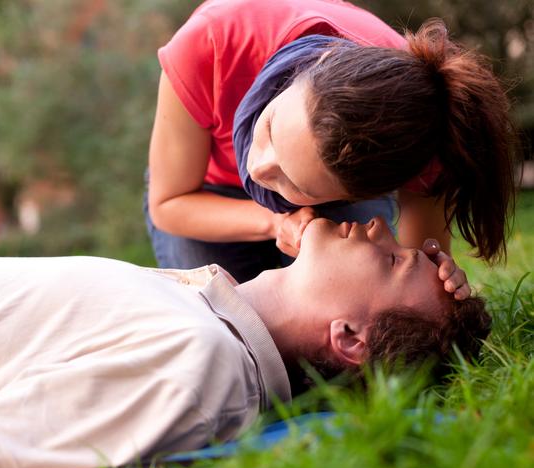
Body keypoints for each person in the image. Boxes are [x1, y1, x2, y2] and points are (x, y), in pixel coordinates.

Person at [0, 217, 491, 468]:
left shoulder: (197, 361)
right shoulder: (200, 315)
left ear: (350, 339)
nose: (381, 229)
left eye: (390, 261)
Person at [145, 0, 518, 291]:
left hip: (329, 200)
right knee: (221, 320)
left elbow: (421, 261)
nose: (258, 169)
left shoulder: (426, 133)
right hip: (201, 192)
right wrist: (274, 221)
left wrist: (433, 280)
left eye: (296, 183)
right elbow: (169, 202)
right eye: (272, 127)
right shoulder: (211, 42)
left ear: (364, 192)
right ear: (310, 66)